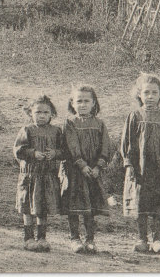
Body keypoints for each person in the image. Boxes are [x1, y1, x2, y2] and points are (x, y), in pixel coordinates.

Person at [119, 73, 160, 254]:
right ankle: (141, 239)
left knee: (158, 204)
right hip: (139, 169)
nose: (150, 97)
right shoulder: (134, 116)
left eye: (155, 93)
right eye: (146, 93)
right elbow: (127, 142)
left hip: (159, 169)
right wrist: (129, 164)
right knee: (141, 204)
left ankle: (158, 239)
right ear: (139, 95)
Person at [61, 84, 114, 254]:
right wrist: (81, 165)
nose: (82, 104)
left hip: (93, 172)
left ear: (93, 103)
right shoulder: (70, 123)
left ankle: (90, 239)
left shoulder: (99, 124)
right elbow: (71, 146)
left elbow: (106, 146)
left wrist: (99, 166)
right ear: (72, 103)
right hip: (75, 171)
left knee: (90, 206)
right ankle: (74, 238)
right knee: (75, 204)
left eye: (86, 101)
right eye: (79, 101)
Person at [13, 95, 63, 252]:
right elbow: (18, 151)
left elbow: (64, 151)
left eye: (46, 112)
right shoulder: (27, 130)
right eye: (38, 112)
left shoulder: (56, 131)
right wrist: (33, 153)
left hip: (47, 175)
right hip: (30, 175)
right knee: (28, 207)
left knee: (43, 207)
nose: (41, 116)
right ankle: (28, 238)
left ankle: (42, 238)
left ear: (51, 114)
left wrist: (54, 153)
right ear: (30, 113)